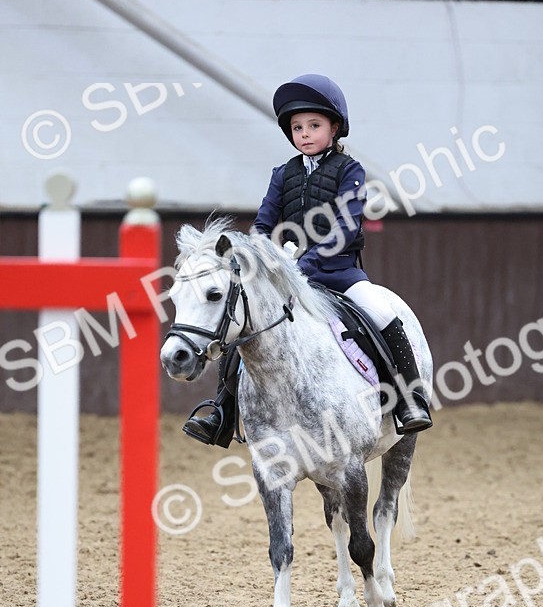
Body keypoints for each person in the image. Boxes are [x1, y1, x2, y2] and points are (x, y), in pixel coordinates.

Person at [183, 73, 433, 447]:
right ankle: (222, 411)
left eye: (314, 125)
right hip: (286, 277)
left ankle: (409, 399)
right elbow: (264, 223)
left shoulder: (351, 171)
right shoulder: (283, 174)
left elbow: (346, 228)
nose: (304, 133)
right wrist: (264, 257)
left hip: (340, 274)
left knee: (383, 313)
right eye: (297, 127)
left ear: (334, 128)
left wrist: (304, 266)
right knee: (240, 326)